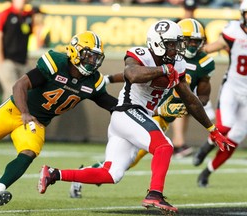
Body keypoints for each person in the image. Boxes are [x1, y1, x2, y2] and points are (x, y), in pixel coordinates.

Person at [37, 19, 234, 215]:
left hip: (136, 118)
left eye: (178, 44)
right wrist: (162, 70)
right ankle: (155, 194)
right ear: (158, 44)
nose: (177, 49)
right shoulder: (141, 55)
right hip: (127, 112)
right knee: (164, 146)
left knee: (112, 174)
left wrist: (212, 129)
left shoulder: (177, 64)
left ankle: (54, 174)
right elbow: (131, 73)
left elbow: (191, 100)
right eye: (172, 44)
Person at [0, 31, 118, 208]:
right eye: (88, 56)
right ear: (75, 51)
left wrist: (135, 111)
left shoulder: (92, 81)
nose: (92, 62)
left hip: (36, 121)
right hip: (14, 111)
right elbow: (19, 85)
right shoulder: (57, 64)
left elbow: (112, 105)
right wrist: (25, 113)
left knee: (29, 151)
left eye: (96, 58)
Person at [69, 18, 216, 198]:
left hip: (157, 115)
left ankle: (84, 174)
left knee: (125, 164)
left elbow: (199, 99)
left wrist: (188, 110)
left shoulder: (197, 62)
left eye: (193, 41)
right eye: (185, 41)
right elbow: (133, 74)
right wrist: (109, 79)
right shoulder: (150, 56)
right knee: (140, 156)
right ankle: (153, 194)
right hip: (144, 114)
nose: (188, 45)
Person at [193, 0, 247, 187]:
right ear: (243, 15)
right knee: (225, 127)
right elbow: (210, 48)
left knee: (233, 140)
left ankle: (207, 171)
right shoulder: (233, 32)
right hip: (232, 87)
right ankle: (206, 146)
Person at [0, 0, 34, 102]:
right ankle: (6, 117)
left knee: (26, 94)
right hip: (8, 61)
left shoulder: (27, 16)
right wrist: (1, 60)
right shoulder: (5, 14)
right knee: (13, 93)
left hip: (22, 62)